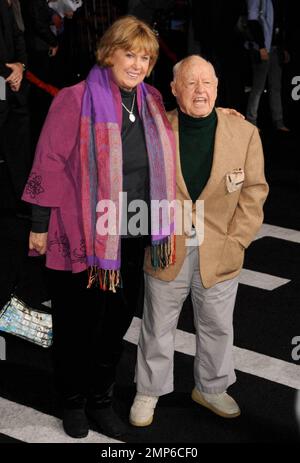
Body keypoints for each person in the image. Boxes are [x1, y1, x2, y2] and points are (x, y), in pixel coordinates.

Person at [21, 15, 177, 439]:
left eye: (145, 57)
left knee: (115, 324)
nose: (138, 64)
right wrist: (39, 222)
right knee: (77, 324)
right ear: (109, 53)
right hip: (82, 234)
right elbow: (48, 161)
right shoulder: (75, 99)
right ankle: (72, 402)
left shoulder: (153, 100)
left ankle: (100, 400)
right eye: (130, 54)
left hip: (132, 232)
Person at [129, 55, 269, 427]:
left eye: (207, 82)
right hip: (166, 246)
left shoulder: (244, 133)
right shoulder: (154, 129)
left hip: (220, 249)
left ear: (218, 87)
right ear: (174, 90)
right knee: (158, 324)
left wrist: (237, 241)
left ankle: (211, 387)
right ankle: (149, 390)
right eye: (190, 83)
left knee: (217, 324)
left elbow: (254, 192)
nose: (200, 90)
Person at [0, 0, 29, 208]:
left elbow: (18, 35)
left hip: (13, 84)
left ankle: (24, 200)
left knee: (19, 142)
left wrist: (20, 66)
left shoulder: (9, 5)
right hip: (3, 82)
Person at [245, 0, 290, 131]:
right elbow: (252, 21)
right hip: (262, 48)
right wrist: (261, 47)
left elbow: (280, 23)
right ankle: (251, 122)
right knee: (258, 87)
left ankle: (278, 121)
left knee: (275, 86)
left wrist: (283, 48)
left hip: (275, 48)